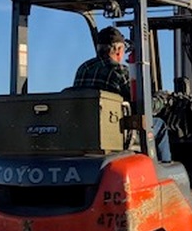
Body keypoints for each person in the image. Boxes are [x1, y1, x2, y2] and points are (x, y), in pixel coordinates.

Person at [73, 26, 171, 161]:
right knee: (159, 125)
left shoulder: (83, 68)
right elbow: (142, 107)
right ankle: (164, 168)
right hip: (116, 132)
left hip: (86, 132)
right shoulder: (120, 71)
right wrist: (162, 99)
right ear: (118, 50)